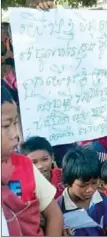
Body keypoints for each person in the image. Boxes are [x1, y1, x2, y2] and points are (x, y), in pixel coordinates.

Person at [1, 85, 63, 236]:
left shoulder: (24, 165)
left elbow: (55, 215)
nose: (15, 134)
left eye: (16, 123)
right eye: (6, 125)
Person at [58, 147, 107, 236]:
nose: (90, 189)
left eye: (94, 183)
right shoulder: (58, 208)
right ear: (68, 182)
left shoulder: (101, 199)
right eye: (83, 185)